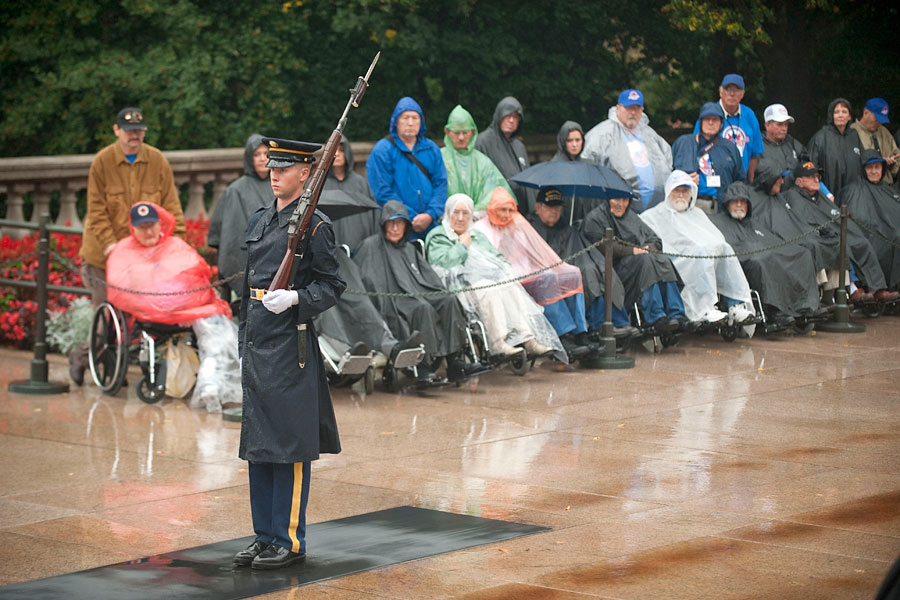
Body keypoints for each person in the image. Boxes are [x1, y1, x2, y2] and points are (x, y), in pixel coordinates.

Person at [234, 137, 346, 570]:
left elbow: (332, 285)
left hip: (290, 343)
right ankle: (264, 535)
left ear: (305, 174)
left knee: (290, 445)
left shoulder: (315, 225)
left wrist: (298, 297)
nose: (273, 172)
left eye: (283, 167)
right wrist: (243, 336)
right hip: (258, 338)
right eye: (271, 166)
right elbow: (248, 285)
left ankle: (289, 540)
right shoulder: (262, 220)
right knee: (259, 445)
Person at [70, 106, 185, 386]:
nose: (134, 135)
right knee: (107, 317)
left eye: (139, 131)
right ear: (116, 130)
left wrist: (177, 244)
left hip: (142, 258)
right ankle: (83, 357)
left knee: (139, 315)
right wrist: (112, 247)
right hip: (103, 257)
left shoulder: (157, 161)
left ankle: (118, 362)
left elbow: (172, 207)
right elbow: (96, 213)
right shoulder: (102, 162)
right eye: (129, 130)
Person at [106, 202, 240, 412]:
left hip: (188, 308)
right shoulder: (124, 251)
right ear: (133, 229)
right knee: (207, 317)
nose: (149, 231)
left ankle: (210, 380)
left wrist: (187, 306)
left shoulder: (176, 245)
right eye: (142, 228)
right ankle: (210, 381)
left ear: (160, 225)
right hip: (150, 314)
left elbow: (196, 275)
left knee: (214, 322)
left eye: (152, 225)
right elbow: (121, 291)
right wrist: (172, 309)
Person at [354, 200, 485, 383]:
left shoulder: (409, 249)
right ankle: (423, 367)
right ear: (383, 224)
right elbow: (368, 282)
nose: (394, 228)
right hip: (394, 301)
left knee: (449, 300)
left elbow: (430, 280)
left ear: (406, 225)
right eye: (390, 223)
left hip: (418, 293)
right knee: (423, 308)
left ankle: (454, 361)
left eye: (399, 223)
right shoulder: (370, 246)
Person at [425, 193, 557, 358]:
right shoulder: (439, 236)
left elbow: (497, 257)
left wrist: (506, 271)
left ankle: (527, 339)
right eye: (456, 212)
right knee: (488, 289)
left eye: (465, 213)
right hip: (458, 287)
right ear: (448, 213)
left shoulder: (477, 236)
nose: (460, 218)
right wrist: (461, 246)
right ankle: (498, 343)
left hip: (484, 281)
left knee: (509, 285)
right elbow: (443, 264)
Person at [472, 187, 593, 359]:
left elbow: (533, 250)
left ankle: (580, 332)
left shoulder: (517, 222)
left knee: (571, 273)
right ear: (492, 209)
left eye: (510, 210)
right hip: (509, 275)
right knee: (547, 278)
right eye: (502, 210)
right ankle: (563, 333)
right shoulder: (481, 229)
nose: (506, 214)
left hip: (530, 268)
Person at [640, 170, 754, 326]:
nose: (681, 195)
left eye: (685, 191)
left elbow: (714, 237)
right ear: (669, 191)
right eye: (677, 191)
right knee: (703, 253)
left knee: (725, 249)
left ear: (691, 193)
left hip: (701, 254)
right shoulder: (653, 215)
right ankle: (705, 308)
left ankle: (736, 304)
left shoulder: (697, 213)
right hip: (675, 259)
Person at [779, 159, 893, 303]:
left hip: (837, 230)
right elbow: (804, 222)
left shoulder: (820, 196)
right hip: (820, 237)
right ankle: (852, 289)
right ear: (799, 181)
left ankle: (878, 288)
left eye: (817, 177)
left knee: (860, 241)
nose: (817, 180)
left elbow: (836, 215)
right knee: (842, 244)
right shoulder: (793, 196)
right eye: (811, 177)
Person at [525, 188, 634, 337]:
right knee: (587, 274)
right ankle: (599, 324)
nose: (554, 212)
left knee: (600, 270)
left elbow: (577, 246)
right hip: (549, 274)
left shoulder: (565, 227)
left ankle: (618, 321)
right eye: (550, 207)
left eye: (558, 207)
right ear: (538, 207)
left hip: (573, 266)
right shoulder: (529, 227)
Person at [711, 183, 822, 324]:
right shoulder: (719, 222)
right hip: (744, 262)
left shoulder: (753, 223)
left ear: (748, 205)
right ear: (727, 204)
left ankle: (806, 306)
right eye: (735, 201)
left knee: (803, 255)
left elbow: (770, 241)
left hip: (765, 255)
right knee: (763, 261)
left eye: (743, 201)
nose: (739, 205)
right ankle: (774, 311)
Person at [581, 193, 687, 333]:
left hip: (637, 263)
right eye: (616, 199)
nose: (621, 204)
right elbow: (605, 247)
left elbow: (654, 239)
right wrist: (634, 251)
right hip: (610, 270)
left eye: (625, 200)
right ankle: (655, 315)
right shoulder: (595, 219)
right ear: (607, 199)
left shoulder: (630, 216)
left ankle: (677, 314)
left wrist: (649, 248)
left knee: (661, 259)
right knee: (646, 260)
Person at [366, 96, 447, 238]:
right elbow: (382, 191)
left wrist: (430, 214)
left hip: (431, 224)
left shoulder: (431, 149)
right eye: (405, 118)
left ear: (421, 122)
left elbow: (441, 183)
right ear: (395, 121)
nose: (410, 123)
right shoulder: (383, 150)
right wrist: (409, 216)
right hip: (397, 226)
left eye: (415, 118)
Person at [582, 89, 673, 212]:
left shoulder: (651, 135)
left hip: (657, 211)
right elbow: (586, 167)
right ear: (618, 108)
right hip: (618, 210)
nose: (633, 112)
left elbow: (668, 160)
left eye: (637, 108)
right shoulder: (601, 135)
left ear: (642, 110)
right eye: (628, 108)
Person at [208, 133, 271, 305]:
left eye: (266, 154)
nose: (261, 159)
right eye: (256, 155)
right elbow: (229, 235)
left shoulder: (280, 184)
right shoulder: (235, 190)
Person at [837, 150, 900, 293]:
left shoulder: (888, 191)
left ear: (883, 169)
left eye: (877, 167)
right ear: (863, 169)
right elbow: (857, 220)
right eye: (870, 168)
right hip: (871, 237)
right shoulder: (853, 191)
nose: (873, 171)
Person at [672, 102, 745, 213]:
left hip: (720, 207)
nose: (710, 123)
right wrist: (683, 180)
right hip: (690, 205)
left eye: (715, 119)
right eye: (707, 119)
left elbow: (739, 180)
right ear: (700, 122)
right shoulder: (683, 143)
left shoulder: (730, 148)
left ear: (721, 123)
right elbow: (668, 174)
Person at [440, 104, 514, 213]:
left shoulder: (483, 162)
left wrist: (474, 212)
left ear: (473, 132)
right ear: (447, 132)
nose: (461, 137)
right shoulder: (438, 158)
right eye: (456, 132)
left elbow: (496, 191)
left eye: (465, 132)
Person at [692, 74, 764, 182]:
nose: (732, 94)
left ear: (742, 94)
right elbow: (694, 150)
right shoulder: (708, 115)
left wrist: (750, 182)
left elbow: (755, 153)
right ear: (721, 93)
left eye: (736, 90)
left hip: (741, 184)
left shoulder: (749, 115)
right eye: (727, 89)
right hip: (713, 183)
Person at [474, 96, 538, 213]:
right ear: (499, 115)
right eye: (507, 115)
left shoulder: (519, 146)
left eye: (516, 117)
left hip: (521, 211)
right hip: (495, 211)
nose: (511, 120)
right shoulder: (483, 142)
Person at [322, 137, 381, 255]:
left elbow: (372, 215)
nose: (337, 154)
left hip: (359, 246)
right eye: (334, 150)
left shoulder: (360, 182)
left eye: (342, 150)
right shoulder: (320, 183)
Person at [807, 98, 863, 195]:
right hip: (829, 195)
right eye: (836, 112)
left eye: (844, 112)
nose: (840, 115)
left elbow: (863, 163)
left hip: (853, 195)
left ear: (849, 116)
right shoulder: (821, 136)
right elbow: (809, 168)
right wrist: (825, 193)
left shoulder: (854, 135)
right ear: (831, 116)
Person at [550, 120, 595, 224]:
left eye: (577, 140)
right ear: (563, 142)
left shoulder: (588, 166)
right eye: (569, 140)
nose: (574, 144)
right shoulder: (555, 166)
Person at [849, 98, 900, 185]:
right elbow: (849, 163)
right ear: (866, 113)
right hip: (862, 187)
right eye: (877, 119)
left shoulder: (884, 131)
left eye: (882, 120)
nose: (879, 123)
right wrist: (877, 162)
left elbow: (896, 155)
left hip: (886, 187)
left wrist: (891, 163)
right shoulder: (851, 132)